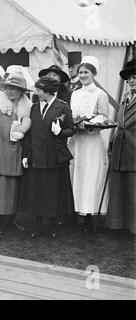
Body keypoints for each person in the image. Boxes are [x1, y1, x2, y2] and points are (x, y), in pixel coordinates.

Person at [21, 76, 75, 238]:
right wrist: (26, 155)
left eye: (39, 90)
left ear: (49, 91)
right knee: (36, 192)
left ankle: (52, 226)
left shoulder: (62, 107)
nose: (36, 92)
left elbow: (71, 130)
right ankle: (37, 225)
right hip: (36, 157)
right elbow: (30, 134)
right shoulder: (34, 107)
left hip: (54, 157)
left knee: (52, 192)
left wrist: (61, 133)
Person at [68, 56, 110, 232]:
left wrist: (91, 121)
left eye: (86, 72)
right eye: (81, 72)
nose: (83, 75)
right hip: (78, 140)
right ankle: (77, 212)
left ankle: (90, 215)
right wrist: (75, 122)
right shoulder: (75, 94)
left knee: (91, 176)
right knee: (77, 174)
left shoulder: (100, 94)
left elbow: (105, 117)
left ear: (94, 74)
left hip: (92, 141)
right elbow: (71, 114)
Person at [0, 73, 31, 234]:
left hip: (17, 151)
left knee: (14, 186)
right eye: (8, 88)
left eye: (15, 89)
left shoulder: (27, 108)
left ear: (21, 91)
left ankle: (12, 218)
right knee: (1, 185)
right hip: (1, 150)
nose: (11, 91)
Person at [106, 58, 136, 234]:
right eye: (129, 78)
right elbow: (120, 125)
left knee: (134, 193)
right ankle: (119, 225)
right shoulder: (125, 100)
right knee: (119, 191)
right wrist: (112, 144)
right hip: (120, 151)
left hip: (134, 152)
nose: (132, 80)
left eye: (135, 77)